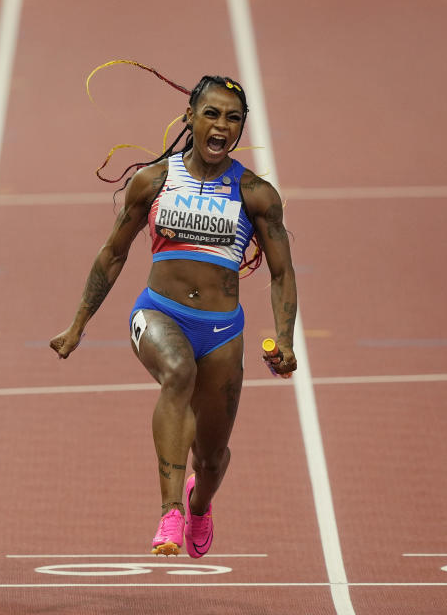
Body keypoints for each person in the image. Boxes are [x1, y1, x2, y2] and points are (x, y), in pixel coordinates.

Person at [50, 67, 297, 558]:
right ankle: (169, 512)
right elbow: (113, 253)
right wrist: (78, 324)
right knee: (177, 373)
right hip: (158, 315)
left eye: (232, 119)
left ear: (241, 128)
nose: (221, 126)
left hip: (223, 332)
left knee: (211, 457)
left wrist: (285, 338)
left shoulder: (256, 195)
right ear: (190, 117)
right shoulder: (154, 180)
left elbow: (282, 272)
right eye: (211, 114)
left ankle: (198, 505)